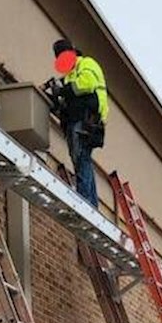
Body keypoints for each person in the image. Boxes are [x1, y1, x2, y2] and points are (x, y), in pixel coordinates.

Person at [45, 38, 109, 208]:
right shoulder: (70, 75)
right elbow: (68, 97)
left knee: (81, 158)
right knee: (82, 159)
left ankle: (85, 202)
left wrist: (63, 90)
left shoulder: (86, 64)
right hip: (78, 120)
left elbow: (86, 84)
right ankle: (91, 203)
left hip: (86, 119)